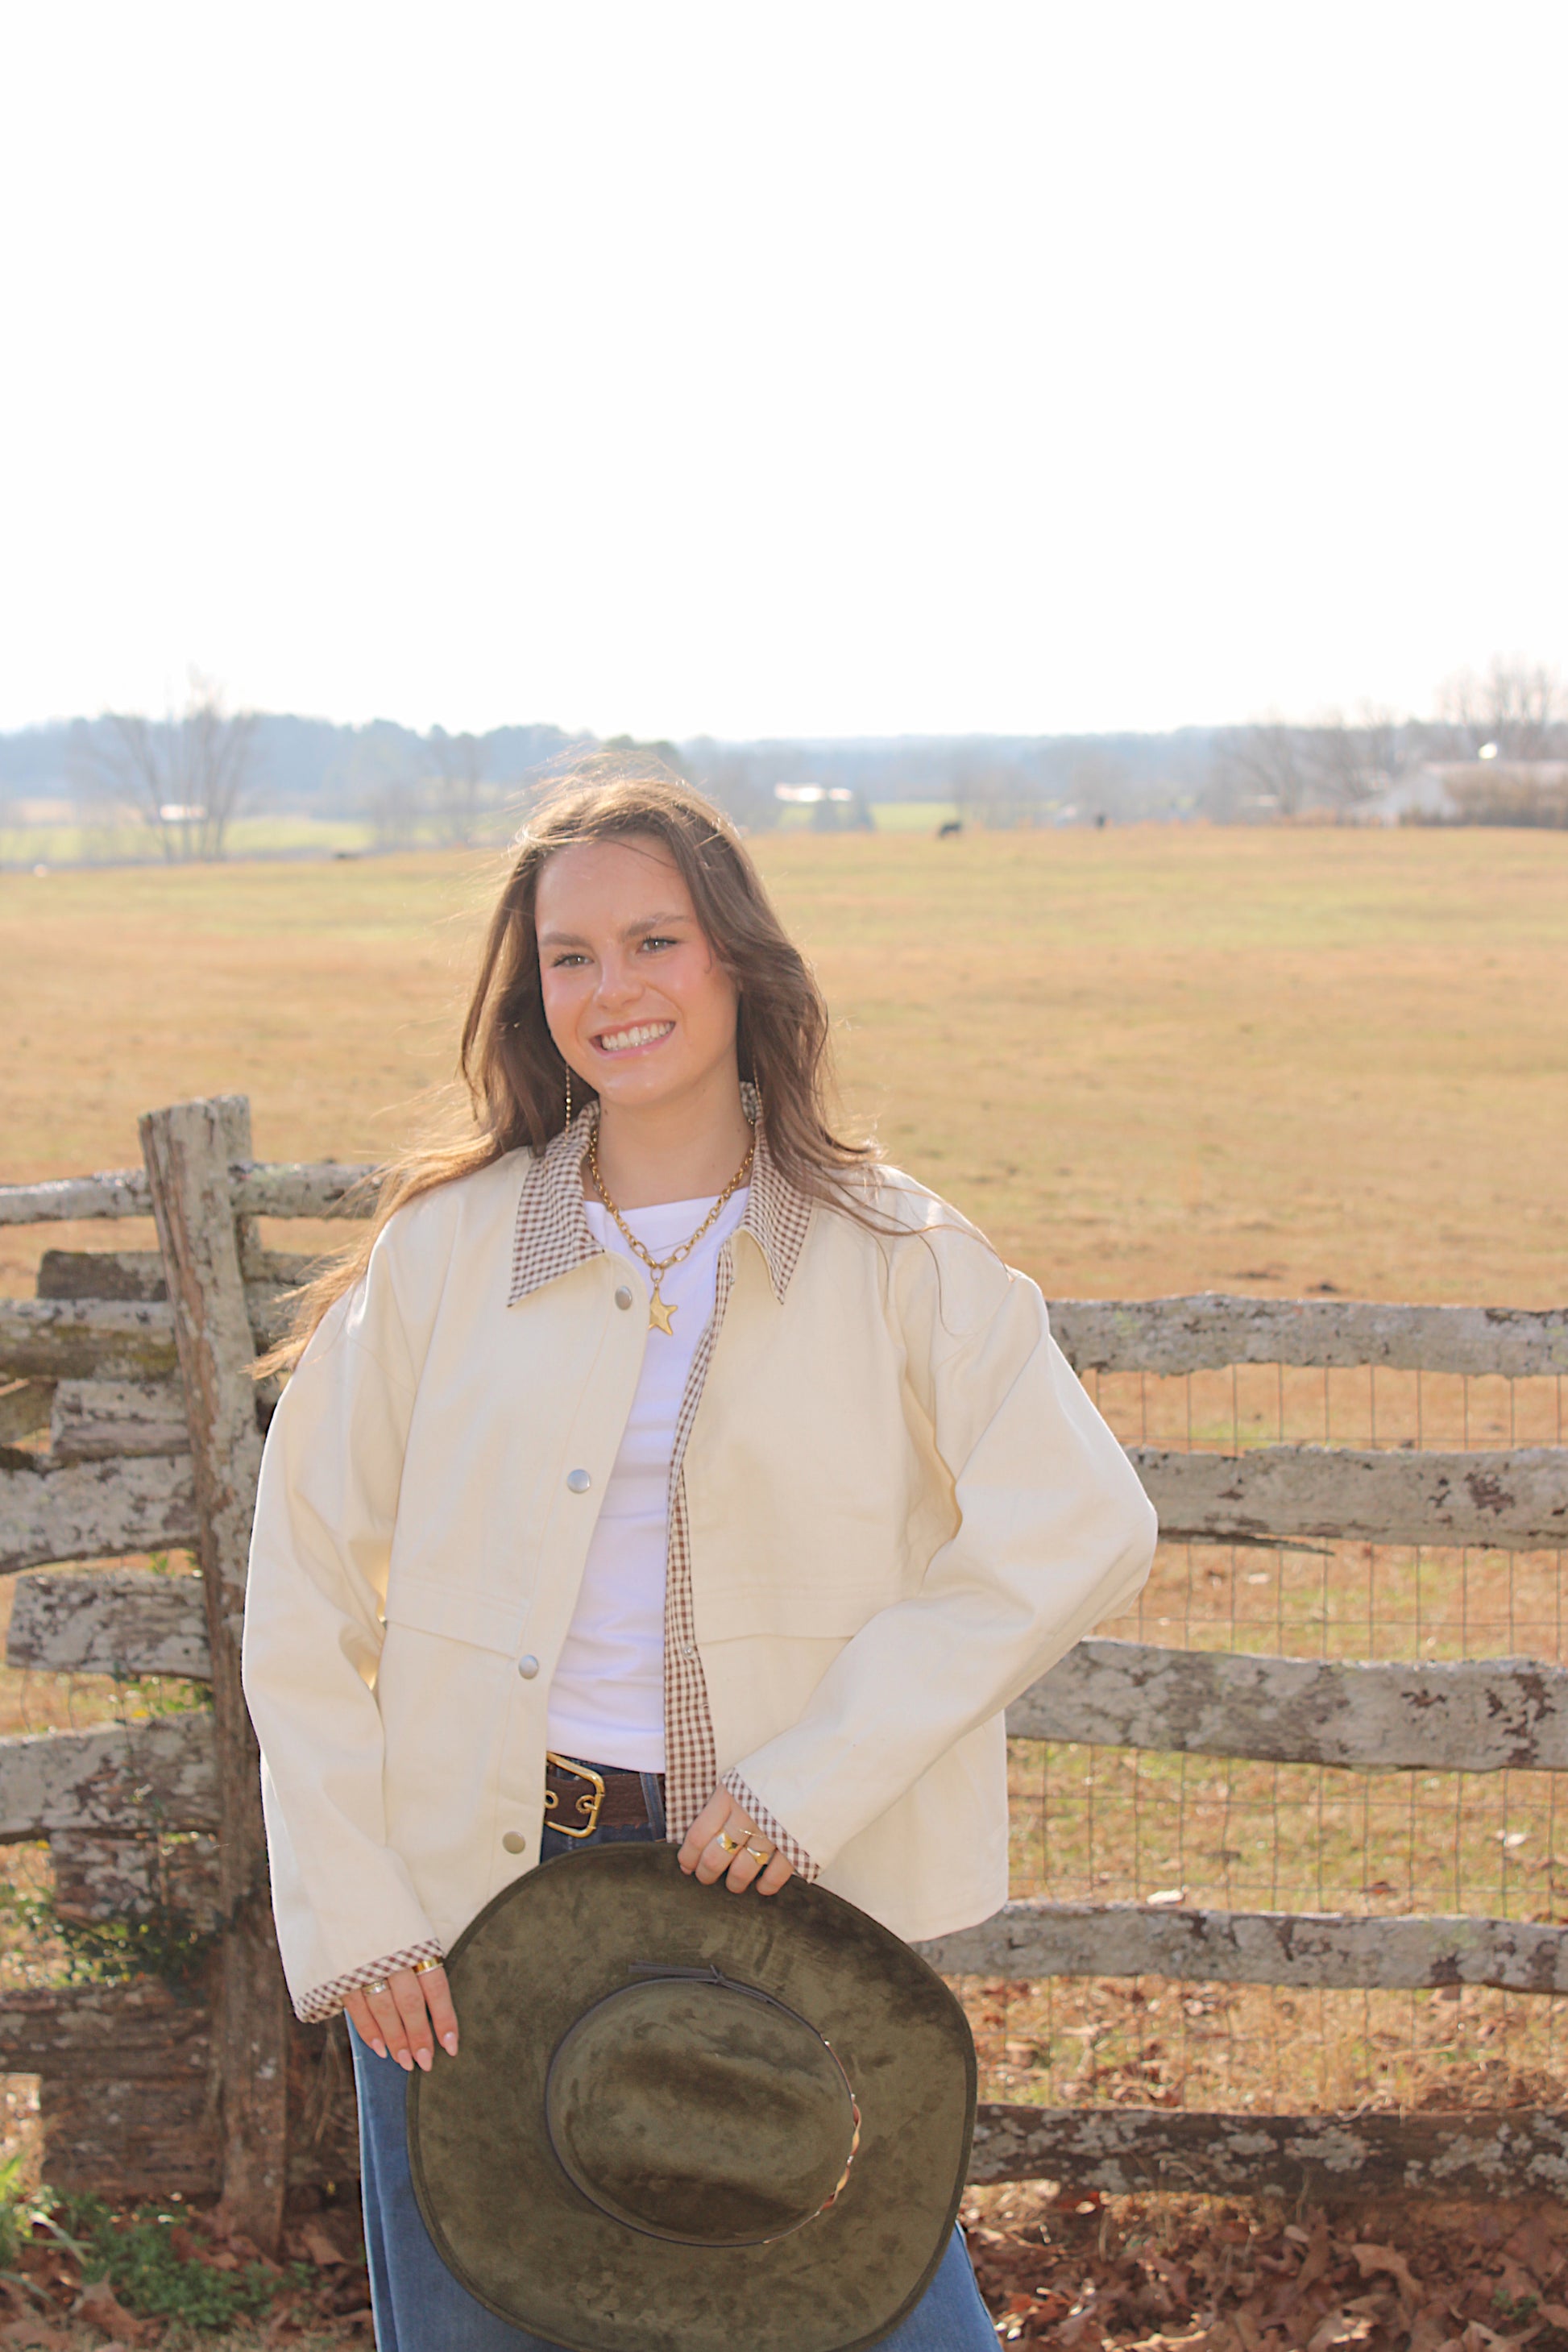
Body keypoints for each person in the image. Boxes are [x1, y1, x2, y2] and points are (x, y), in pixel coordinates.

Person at [243, 768, 1158, 2352]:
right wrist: (357, 1904)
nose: (614, 989)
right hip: (468, 1908)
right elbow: (304, 1581)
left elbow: (1080, 1522)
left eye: (653, 940)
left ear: (737, 958)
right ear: (532, 993)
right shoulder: (446, 1254)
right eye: (571, 955)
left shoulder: (894, 1253)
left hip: (782, 1892)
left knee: (881, 2323)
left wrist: (818, 1774)